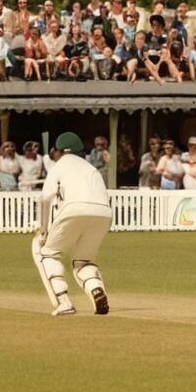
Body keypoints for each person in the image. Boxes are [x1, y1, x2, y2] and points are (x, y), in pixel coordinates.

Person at [34, 132, 112, 316]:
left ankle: (64, 302)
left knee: (48, 255)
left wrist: (43, 230)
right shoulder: (91, 168)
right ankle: (96, 290)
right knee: (83, 261)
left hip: (73, 209)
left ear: (59, 152)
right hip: (103, 213)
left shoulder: (59, 166)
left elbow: (45, 199)